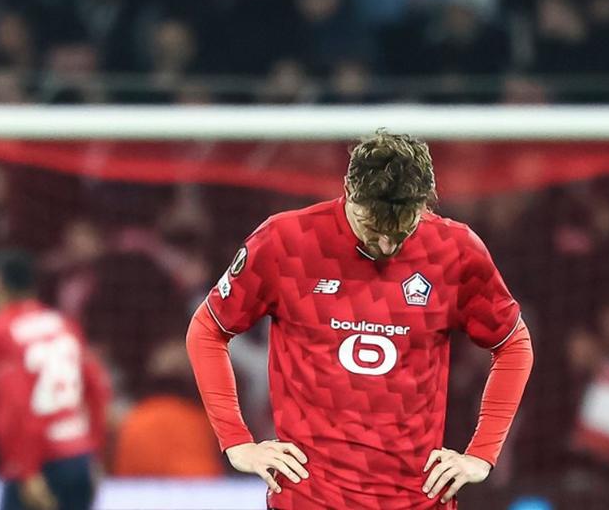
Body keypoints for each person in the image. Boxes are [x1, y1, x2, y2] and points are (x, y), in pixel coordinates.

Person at [186, 130, 534, 509]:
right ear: (349, 190)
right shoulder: (286, 241)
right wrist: (237, 441)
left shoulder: (456, 251)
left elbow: (513, 345)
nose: (386, 246)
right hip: (309, 499)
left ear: (424, 202)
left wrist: (481, 453)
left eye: (402, 230)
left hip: (417, 501)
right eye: (373, 228)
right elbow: (208, 330)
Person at [0, 250, 110, 510]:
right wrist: (94, 453)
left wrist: (26, 470)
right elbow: (97, 391)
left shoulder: (0, 330)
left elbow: (15, 404)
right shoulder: (63, 324)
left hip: (38, 463)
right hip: (78, 456)